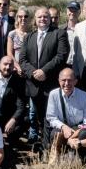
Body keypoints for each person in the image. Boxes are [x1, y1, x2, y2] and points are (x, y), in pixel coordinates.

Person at [19, 8, 69, 150]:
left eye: (45, 16)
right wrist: (34, 72)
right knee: (40, 118)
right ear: (35, 19)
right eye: (39, 16)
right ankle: (44, 145)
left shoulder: (59, 34)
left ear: (50, 18)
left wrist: (44, 71)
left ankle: (50, 147)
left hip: (51, 84)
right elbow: (22, 59)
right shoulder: (29, 37)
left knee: (52, 118)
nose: (43, 19)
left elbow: (61, 56)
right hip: (34, 85)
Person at [48, 68, 86, 153]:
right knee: (55, 134)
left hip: (79, 128)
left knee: (83, 134)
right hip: (62, 126)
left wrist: (75, 133)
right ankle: (57, 161)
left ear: (75, 81)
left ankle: (81, 161)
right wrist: (64, 127)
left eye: (70, 80)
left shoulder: (85, 96)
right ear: (59, 81)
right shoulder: (53, 94)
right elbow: (51, 117)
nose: (66, 83)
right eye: (63, 80)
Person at [0, 56, 28, 142]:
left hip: (7, 118)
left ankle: (11, 141)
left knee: (25, 120)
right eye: (5, 64)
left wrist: (13, 120)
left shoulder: (19, 81)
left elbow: (21, 105)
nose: (7, 67)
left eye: (10, 65)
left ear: (14, 67)